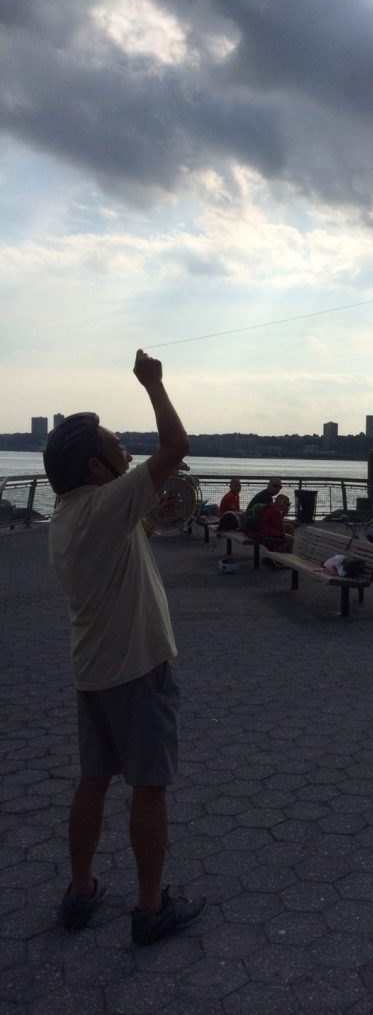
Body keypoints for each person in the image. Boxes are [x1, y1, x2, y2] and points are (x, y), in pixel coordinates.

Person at [43, 349, 206, 946]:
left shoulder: (66, 515)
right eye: (117, 448)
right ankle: (147, 907)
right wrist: (154, 385)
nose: (127, 453)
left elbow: (136, 518)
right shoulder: (108, 505)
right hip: (137, 669)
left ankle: (80, 889)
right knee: (148, 785)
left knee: (94, 779)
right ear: (94, 467)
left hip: (92, 672)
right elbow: (175, 444)